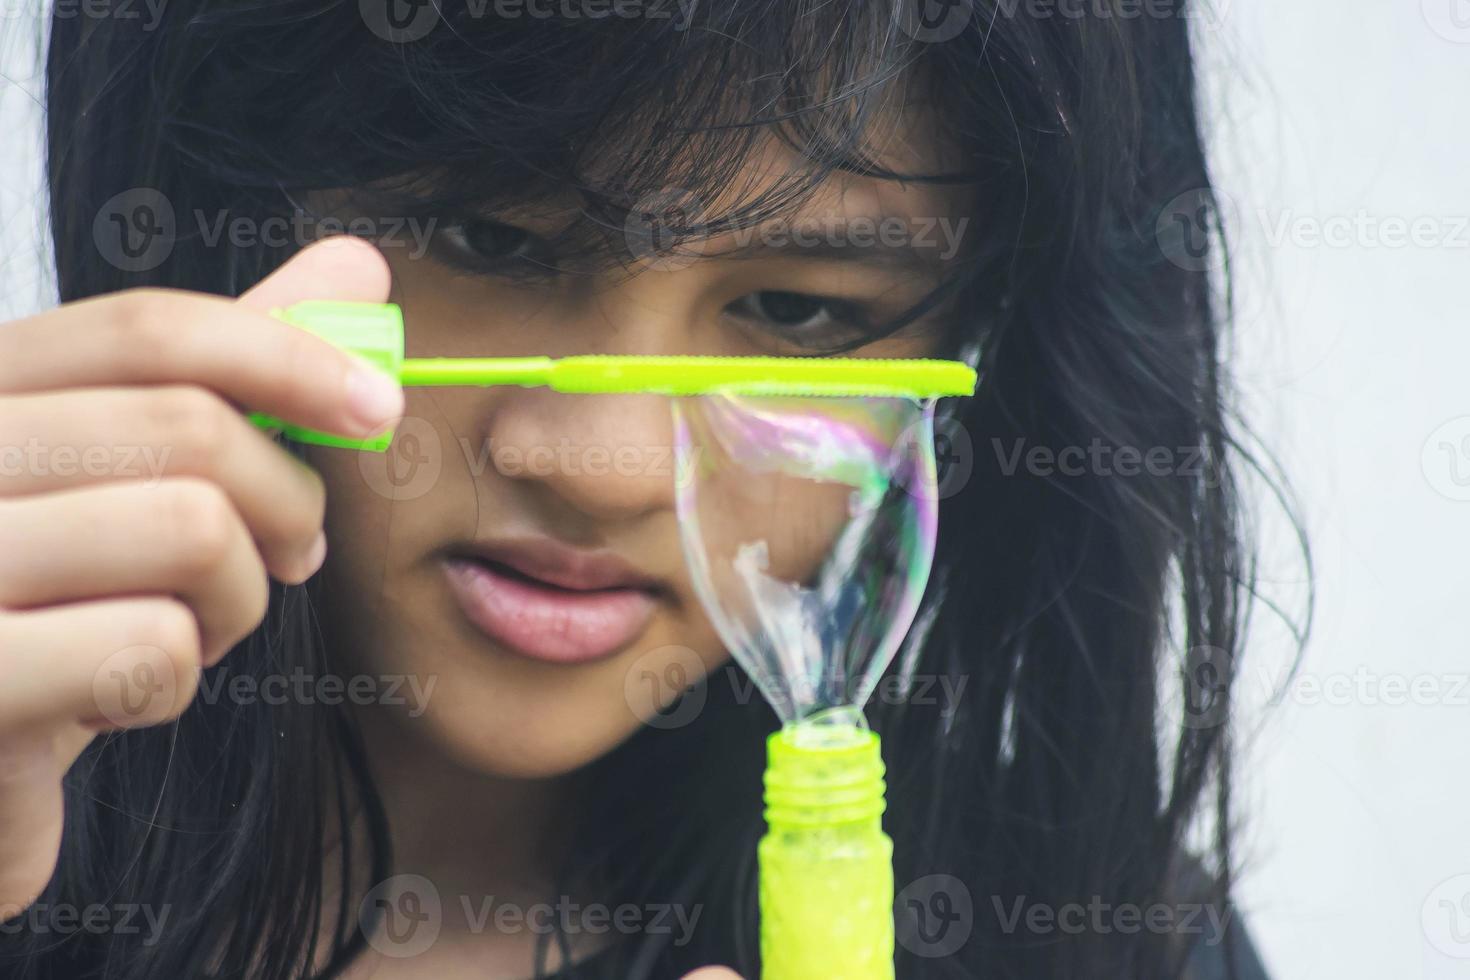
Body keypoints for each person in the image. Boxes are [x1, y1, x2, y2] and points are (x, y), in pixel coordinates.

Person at [0, 1, 1289, 977]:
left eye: (795, 309)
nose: (601, 466)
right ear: (226, 199)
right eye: (489, 238)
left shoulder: (1113, 937)